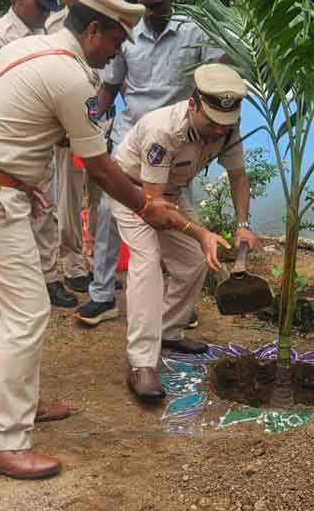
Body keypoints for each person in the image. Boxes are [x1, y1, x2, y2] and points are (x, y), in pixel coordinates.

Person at [0, 0, 213, 480]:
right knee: (28, 310)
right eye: (115, 41)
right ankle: (0, 441)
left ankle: (22, 401)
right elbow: (102, 171)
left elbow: (4, 121)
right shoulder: (72, 76)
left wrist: (19, 177)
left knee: (14, 307)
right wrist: (151, 207)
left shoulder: (28, 47)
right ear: (93, 30)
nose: (119, 52)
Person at [75, 0, 225, 328]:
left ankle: (179, 305)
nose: (150, 13)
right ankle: (103, 295)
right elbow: (109, 88)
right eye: (144, 5)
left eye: (156, 5)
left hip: (177, 142)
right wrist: (89, 121)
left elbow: (222, 68)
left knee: (177, 219)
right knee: (112, 215)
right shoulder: (127, 35)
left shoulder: (194, 32)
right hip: (132, 140)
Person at [113, 64, 256, 400]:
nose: (217, 132)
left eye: (225, 125)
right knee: (147, 265)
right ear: (193, 106)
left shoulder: (227, 128)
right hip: (133, 193)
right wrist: (202, 232)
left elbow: (238, 176)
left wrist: (242, 224)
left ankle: (169, 331)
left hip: (172, 194)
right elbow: (152, 204)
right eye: (211, 123)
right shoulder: (164, 131)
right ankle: (142, 364)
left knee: (193, 262)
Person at [0, 0, 84, 308]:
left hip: (36, 139)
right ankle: (18, 281)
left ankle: (48, 278)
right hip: (5, 142)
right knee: (10, 211)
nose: (46, 14)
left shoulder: (42, 32)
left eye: (50, 8)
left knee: (42, 209)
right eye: (40, 7)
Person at [45, 0, 101, 296]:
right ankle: (74, 264)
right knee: (68, 197)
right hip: (67, 126)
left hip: (96, 119)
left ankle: (96, 261)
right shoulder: (55, 28)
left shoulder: (102, 20)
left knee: (98, 197)